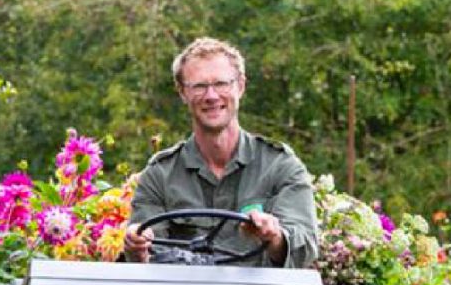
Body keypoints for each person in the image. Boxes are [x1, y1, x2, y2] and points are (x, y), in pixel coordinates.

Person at [124, 37, 318, 268]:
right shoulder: (160, 175)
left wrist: (274, 237)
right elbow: (146, 258)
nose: (211, 96)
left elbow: (305, 247)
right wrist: (136, 247)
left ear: (241, 86)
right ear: (182, 93)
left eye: (221, 84)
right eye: (199, 86)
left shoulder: (280, 166)